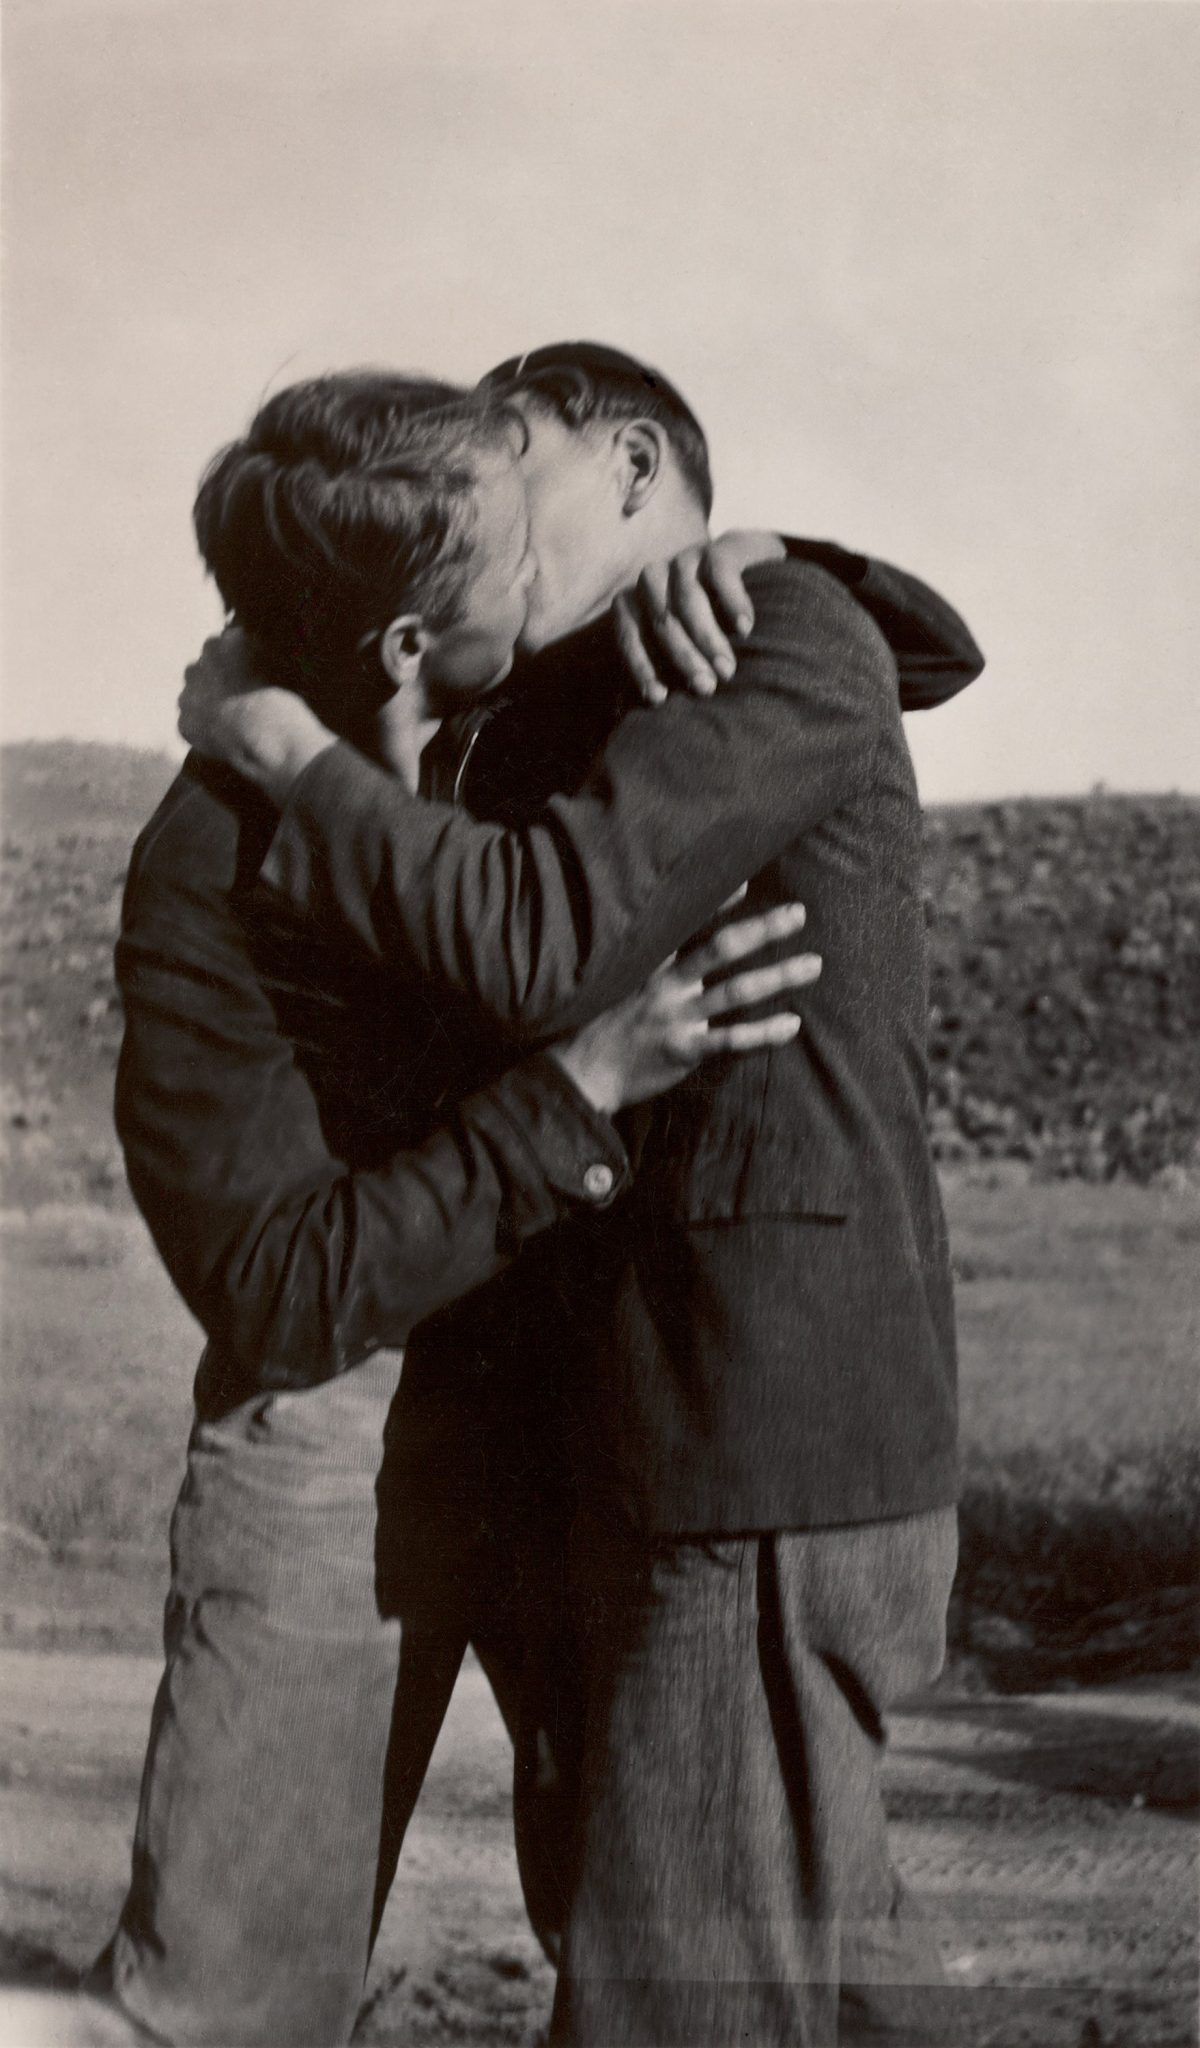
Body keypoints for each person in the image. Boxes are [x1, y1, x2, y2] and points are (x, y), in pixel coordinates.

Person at [181, 340, 985, 2046]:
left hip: (752, 1430)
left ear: (633, 466)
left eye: (512, 456)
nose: (479, 500)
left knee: (678, 1991)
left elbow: (541, 937)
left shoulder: (773, 632)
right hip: (662, 1436)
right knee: (808, 1971)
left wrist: (278, 749)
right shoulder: (586, 693)